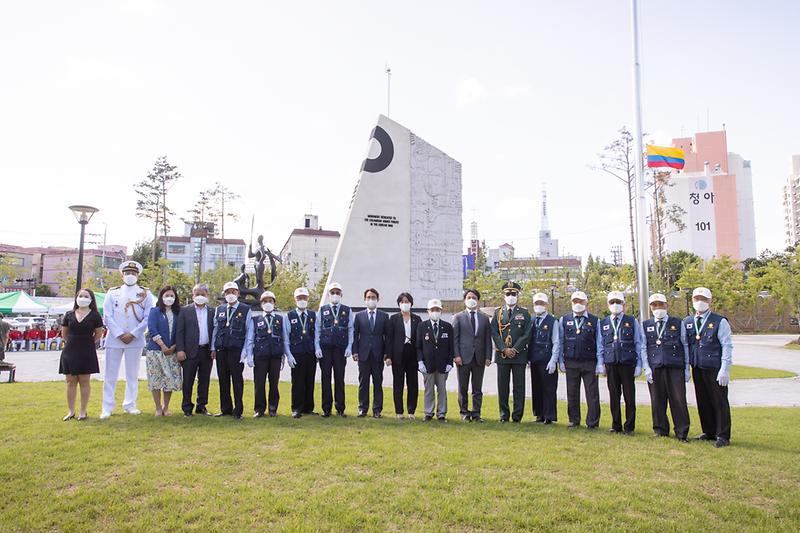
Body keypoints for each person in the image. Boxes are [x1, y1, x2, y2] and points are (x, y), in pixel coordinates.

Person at [101, 260, 154, 419]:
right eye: (127, 273)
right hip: (114, 339)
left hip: (135, 339)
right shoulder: (112, 292)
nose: (130, 275)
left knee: (132, 374)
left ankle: (130, 404)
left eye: (133, 273)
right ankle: (107, 407)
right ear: (122, 275)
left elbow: (148, 317)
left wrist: (133, 334)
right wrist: (119, 333)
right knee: (110, 376)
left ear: (138, 275)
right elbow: (107, 316)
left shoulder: (145, 293)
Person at [685, 287, 733, 448]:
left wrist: (725, 369)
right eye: (697, 299)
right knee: (703, 400)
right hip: (697, 366)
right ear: (692, 300)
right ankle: (709, 431)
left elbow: (727, 345)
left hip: (714, 368)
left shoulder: (720, 321)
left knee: (719, 401)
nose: (700, 302)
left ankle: (723, 435)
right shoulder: (688, 322)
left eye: (704, 299)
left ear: (710, 301)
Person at [641, 293, 690, 442]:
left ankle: (681, 432)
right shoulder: (646, 325)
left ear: (666, 305)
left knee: (678, 400)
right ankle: (660, 430)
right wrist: (646, 367)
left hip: (675, 367)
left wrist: (686, 368)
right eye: (654, 305)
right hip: (655, 367)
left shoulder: (678, 323)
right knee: (657, 400)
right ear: (650, 307)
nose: (657, 307)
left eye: (660, 304)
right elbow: (643, 347)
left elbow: (685, 345)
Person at [243, 291, 295, 417]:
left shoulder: (280, 319)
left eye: (270, 301)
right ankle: (259, 409)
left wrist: (288, 355)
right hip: (260, 356)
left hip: (275, 356)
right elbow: (250, 339)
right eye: (265, 301)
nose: (268, 303)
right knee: (259, 383)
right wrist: (249, 355)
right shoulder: (255, 320)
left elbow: (285, 339)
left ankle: (273, 409)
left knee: (274, 383)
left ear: (274, 303)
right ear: (261, 304)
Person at [599, 291, 644, 435]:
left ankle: (629, 426)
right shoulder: (603, 322)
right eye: (612, 302)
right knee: (614, 395)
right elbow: (600, 345)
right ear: (607, 304)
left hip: (627, 363)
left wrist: (639, 364)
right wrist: (601, 363)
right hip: (611, 363)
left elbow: (638, 343)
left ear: (623, 304)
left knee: (629, 396)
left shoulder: (632, 321)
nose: (615, 305)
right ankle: (616, 425)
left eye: (618, 302)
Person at [559, 290, 603, 430]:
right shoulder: (564, 319)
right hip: (571, 361)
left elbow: (599, 343)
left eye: (581, 301)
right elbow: (561, 341)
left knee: (592, 394)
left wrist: (600, 362)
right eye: (575, 301)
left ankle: (593, 422)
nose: (578, 304)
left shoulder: (595, 320)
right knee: (572, 392)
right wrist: (561, 360)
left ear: (586, 303)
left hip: (589, 362)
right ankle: (574, 420)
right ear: (571, 303)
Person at [490, 281, 531, 423]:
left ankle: (517, 416)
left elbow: (527, 333)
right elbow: (494, 332)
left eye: (513, 294)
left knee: (519, 387)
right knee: (503, 387)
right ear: (504, 295)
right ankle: (504, 415)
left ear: (518, 295)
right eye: (508, 294)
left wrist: (515, 349)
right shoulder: (498, 312)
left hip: (519, 355)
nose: (511, 296)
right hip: (502, 356)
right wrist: (504, 349)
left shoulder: (524, 313)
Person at [59, 289, 104, 420]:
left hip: (87, 350)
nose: (82, 298)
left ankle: (83, 411)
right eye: (80, 296)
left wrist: (86, 342)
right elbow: (64, 334)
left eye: (86, 296)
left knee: (84, 381)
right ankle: (71, 411)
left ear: (91, 299)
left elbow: (98, 334)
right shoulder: (69, 314)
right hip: (70, 350)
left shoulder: (95, 315)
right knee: (70, 381)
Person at [211, 282, 251, 419]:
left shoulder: (245, 309)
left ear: (238, 293)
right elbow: (215, 329)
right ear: (224, 294)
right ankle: (225, 409)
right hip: (221, 349)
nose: (230, 294)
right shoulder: (219, 309)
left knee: (237, 381)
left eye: (233, 292)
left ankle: (238, 411)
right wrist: (213, 348)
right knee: (223, 380)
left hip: (236, 350)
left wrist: (245, 351)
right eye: (227, 292)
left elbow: (248, 332)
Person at [175, 283, 216, 417]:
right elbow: (179, 332)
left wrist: (213, 348)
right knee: (188, 380)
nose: (200, 296)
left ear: (207, 295)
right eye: (197, 294)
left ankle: (201, 406)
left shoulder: (212, 312)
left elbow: (215, 331)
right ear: (192, 295)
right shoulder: (184, 311)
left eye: (202, 294)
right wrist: (180, 349)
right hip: (189, 351)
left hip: (206, 351)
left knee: (204, 380)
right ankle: (187, 407)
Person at [452, 288, 492, 422]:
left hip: (479, 357)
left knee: (477, 388)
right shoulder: (458, 317)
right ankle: (464, 412)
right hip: (463, 357)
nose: (471, 300)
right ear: (464, 300)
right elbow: (455, 339)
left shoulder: (484, 318)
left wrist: (488, 357)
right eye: (469, 297)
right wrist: (456, 355)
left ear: (478, 300)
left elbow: (487, 339)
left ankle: (476, 413)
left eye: (474, 298)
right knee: (463, 387)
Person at [315, 282, 354, 417]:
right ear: (328, 295)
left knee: (339, 378)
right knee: (325, 378)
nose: (335, 295)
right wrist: (317, 347)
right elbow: (317, 330)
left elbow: (350, 330)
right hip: (325, 349)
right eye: (333, 292)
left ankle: (340, 408)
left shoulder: (347, 310)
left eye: (337, 292)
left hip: (340, 349)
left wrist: (349, 347)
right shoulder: (322, 310)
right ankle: (326, 408)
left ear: (341, 294)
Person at [145, 286, 182, 416]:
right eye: (166, 295)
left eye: (172, 296)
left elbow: (181, 331)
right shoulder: (155, 311)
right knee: (156, 379)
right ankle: (158, 407)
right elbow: (152, 329)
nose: (169, 298)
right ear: (161, 297)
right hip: (155, 351)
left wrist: (174, 346)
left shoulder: (179, 313)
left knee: (169, 380)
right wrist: (162, 345)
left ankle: (166, 407)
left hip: (172, 352)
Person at [352, 288, 390, 418]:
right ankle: (362, 408)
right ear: (365, 299)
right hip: (363, 354)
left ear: (377, 299)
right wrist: (355, 351)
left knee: (378, 383)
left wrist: (387, 353)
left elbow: (387, 337)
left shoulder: (384, 316)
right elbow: (355, 335)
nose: (371, 299)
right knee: (363, 383)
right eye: (368, 297)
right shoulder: (359, 316)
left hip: (378, 354)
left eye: (373, 297)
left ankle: (377, 409)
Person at [417, 299, 454, 421]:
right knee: (429, 390)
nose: (435, 312)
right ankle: (428, 412)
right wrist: (420, 361)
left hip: (443, 364)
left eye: (437, 309)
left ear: (441, 311)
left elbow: (451, 347)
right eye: (432, 310)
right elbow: (418, 346)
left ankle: (441, 413)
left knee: (442, 390)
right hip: (427, 364)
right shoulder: (422, 326)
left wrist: (450, 362)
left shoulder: (447, 326)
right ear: (428, 311)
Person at [387, 292, 422, 419]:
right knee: (398, 384)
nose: (405, 304)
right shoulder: (393, 319)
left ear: (411, 303)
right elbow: (389, 339)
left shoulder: (417, 319)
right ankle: (399, 411)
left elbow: (420, 339)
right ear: (399, 304)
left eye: (407, 301)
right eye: (402, 302)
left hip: (412, 354)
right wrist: (388, 356)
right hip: (398, 355)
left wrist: (420, 358)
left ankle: (411, 411)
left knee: (413, 384)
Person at [529, 292, 561, 424]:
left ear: (546, 305)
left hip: (547, 360)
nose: (539, 305)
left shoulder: (552, 321)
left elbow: (556, 342)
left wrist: (554, 360)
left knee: (549, 389)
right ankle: (539, 414)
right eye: (536, 303)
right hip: (534, 359)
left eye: (541, 303)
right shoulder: (531, 320)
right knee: (536, 388)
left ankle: (549, 416)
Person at [287, 287, 317, 418]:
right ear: (295, 300)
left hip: (310, 352)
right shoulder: (289, 316)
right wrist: (288, 355)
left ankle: (308, 408)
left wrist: (317, 349)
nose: (302, 300)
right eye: (299, 298)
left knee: (310, 381)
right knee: (297, 382)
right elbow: (286, 337)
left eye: (304, 298)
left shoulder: (313, 315)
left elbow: (316, 334)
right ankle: (296, 408)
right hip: (297, 353)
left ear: (308, 299)